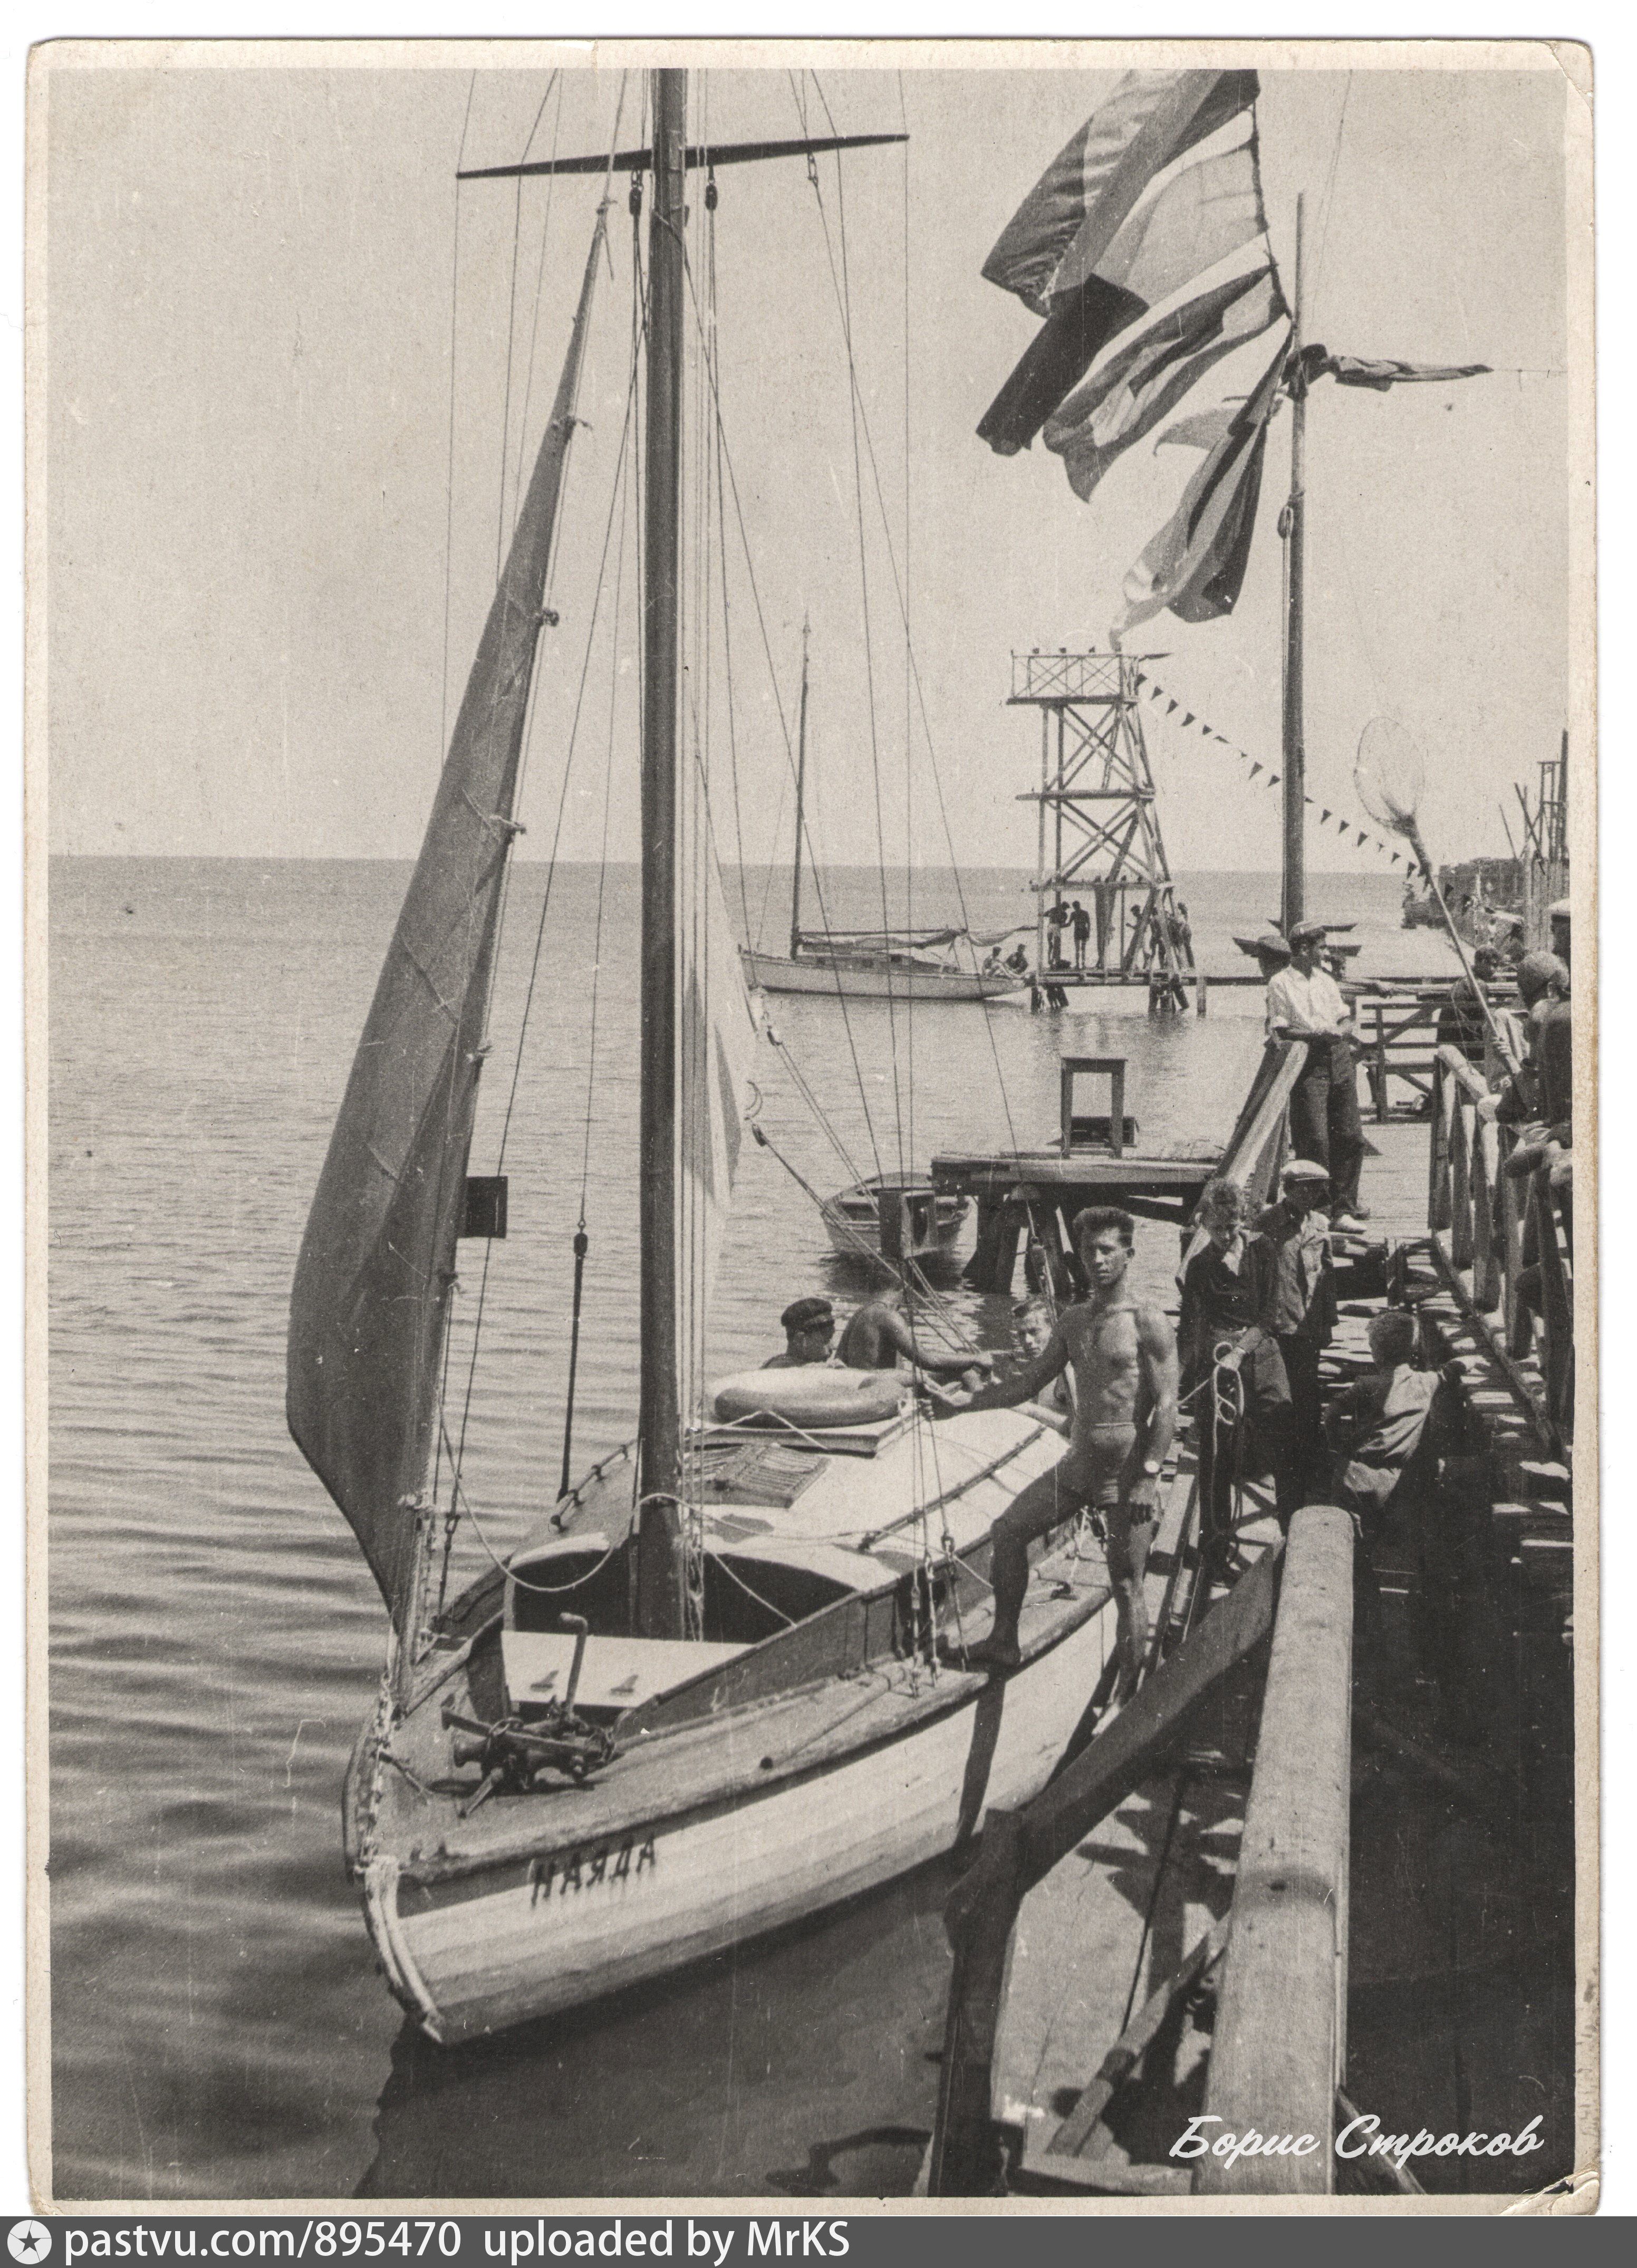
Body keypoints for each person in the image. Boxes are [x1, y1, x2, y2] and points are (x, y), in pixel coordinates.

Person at [935, 1207, 1178, 1695]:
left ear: (1129, 1255)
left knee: (1126, 1583)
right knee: (1008, 1532)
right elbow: (1027, 1384)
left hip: (1127, 1474)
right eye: (1088, 1251)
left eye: (1107, 1250)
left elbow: (1168, 1405)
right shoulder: (1072, 1321)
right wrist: (964, 1405)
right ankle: (1004, 1641)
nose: (1097, 1260)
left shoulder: (1147, 1321)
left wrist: (1150, 1476)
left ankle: (1129, 1696)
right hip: (1079, 1466)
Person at [1178, 1176, 1291, 1561]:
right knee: (1216, 1453)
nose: (1227, 1235)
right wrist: (1177, 1382)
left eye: (1233, 1226)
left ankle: (1292, 1528)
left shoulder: (1264, 1251)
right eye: (1218, 1228)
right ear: (1204, 1224)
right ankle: (1215, 1545)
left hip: (1261, 1353)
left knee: (1284, 1433)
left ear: (1243, 1220)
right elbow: (1191, 1329)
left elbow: (1270, 1314)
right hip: (1218, 1360)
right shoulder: (1199, 1268)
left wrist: (1241, 1351)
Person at [1323, 1308, 1445, 1638]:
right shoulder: (1427, 1383)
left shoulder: (1368, 1385)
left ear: (1376, 1351)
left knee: (1350, 1553)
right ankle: (1386, 1625)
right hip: (1392, 1482)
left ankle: (1357, 1623)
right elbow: (1452, 1372)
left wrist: (1338, 1447)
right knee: (1386, 1551)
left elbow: (1331, 1414)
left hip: (1354, 1477)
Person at [1246, 1160, 1336, 1524]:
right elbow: (1252, 1276)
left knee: (1307, 1401)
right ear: (1287, 1189)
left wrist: (1328, 1323)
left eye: (1317, 1188)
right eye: (1304, 1187)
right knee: (1275, 1404)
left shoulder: (1321, 1225)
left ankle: (1307, 1475)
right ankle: (1273, 1472)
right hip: (1276, 1328)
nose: (1311, 1194)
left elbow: (1327, 1277)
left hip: (1307, 1328)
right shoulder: (1265, 1224)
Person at [1265, 920, 1368, 1232]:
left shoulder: (1326, 981)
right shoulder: (1280, 983)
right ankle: (1319, 1212)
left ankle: (1344, 1210)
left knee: (1351, 1137)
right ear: (1303, 949)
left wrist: (1341, 1031)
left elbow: (1345, 1017)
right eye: (1321, 948)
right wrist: (1315, 1035)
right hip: (1308, 1063)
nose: (1326, 953)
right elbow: (1282, 1029)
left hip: (1339, 1059)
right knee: (1315, 1140)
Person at [837, 1291, 993, 1387]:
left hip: (864, 1384)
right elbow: (926, 1359)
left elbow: (839, 1359)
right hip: (880, 1387)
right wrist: (974, 1359)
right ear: (903, 1290)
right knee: (965, 1373)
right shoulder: (888, 1316)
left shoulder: (861, 1312)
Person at [763, 1296, 836, 1369]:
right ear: (800, 1339)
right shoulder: (785, 1369)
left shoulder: (779, 1363)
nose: (832, 1347)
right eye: (826, 1340)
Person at [1071, 900, 1092, 969]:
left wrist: (1060, 925)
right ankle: (1083, 965)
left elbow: (1069, 924)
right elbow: (1089, 924)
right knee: (1083, 949)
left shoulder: (1073, 914)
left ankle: (1078, 965)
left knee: (1077, 949)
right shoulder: (1085, 913)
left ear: (1074, 907)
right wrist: (1088, 933)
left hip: (1078, 931)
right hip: (1084, 931)